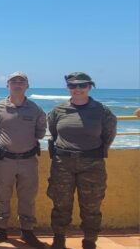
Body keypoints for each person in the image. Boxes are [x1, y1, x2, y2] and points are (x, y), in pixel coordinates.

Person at [47, 72, 117, 249]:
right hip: (63, 163)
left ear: (89, 87)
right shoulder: (58, 111)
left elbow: (109, 134)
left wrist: (91, 152)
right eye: (72, 86)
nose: (77, 89)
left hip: (92, 164)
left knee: (91, 206)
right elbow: (54, 133)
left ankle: (89, 240)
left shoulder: (102, 111)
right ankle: (59, 239)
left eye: (82, 85)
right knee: (60, 204)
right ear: (68, 88)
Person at [0, 72, 47, 248]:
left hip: (28, 160)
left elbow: (41, 131)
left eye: (22, 82)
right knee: (1, 195)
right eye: (14, 81)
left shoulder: (35, 109)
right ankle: (0, 229)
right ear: (7, 85)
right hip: (5, 160)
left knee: (27, 197)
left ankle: (27, 231)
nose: (18, 84)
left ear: (27, 85)